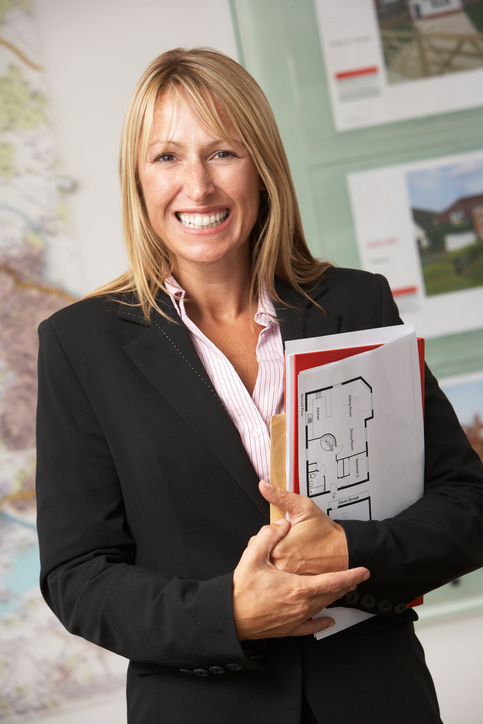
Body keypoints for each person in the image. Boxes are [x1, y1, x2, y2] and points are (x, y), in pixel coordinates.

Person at [36, 47, 483, 724]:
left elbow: (464, 508)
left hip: (376, 700)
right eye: (166, 157)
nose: (197, 187)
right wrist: (229, 613)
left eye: (222, 153)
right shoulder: (82, 345)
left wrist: (349, 548)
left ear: (262, 167)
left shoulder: (354, 304)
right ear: (137, 177)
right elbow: (79, 577)